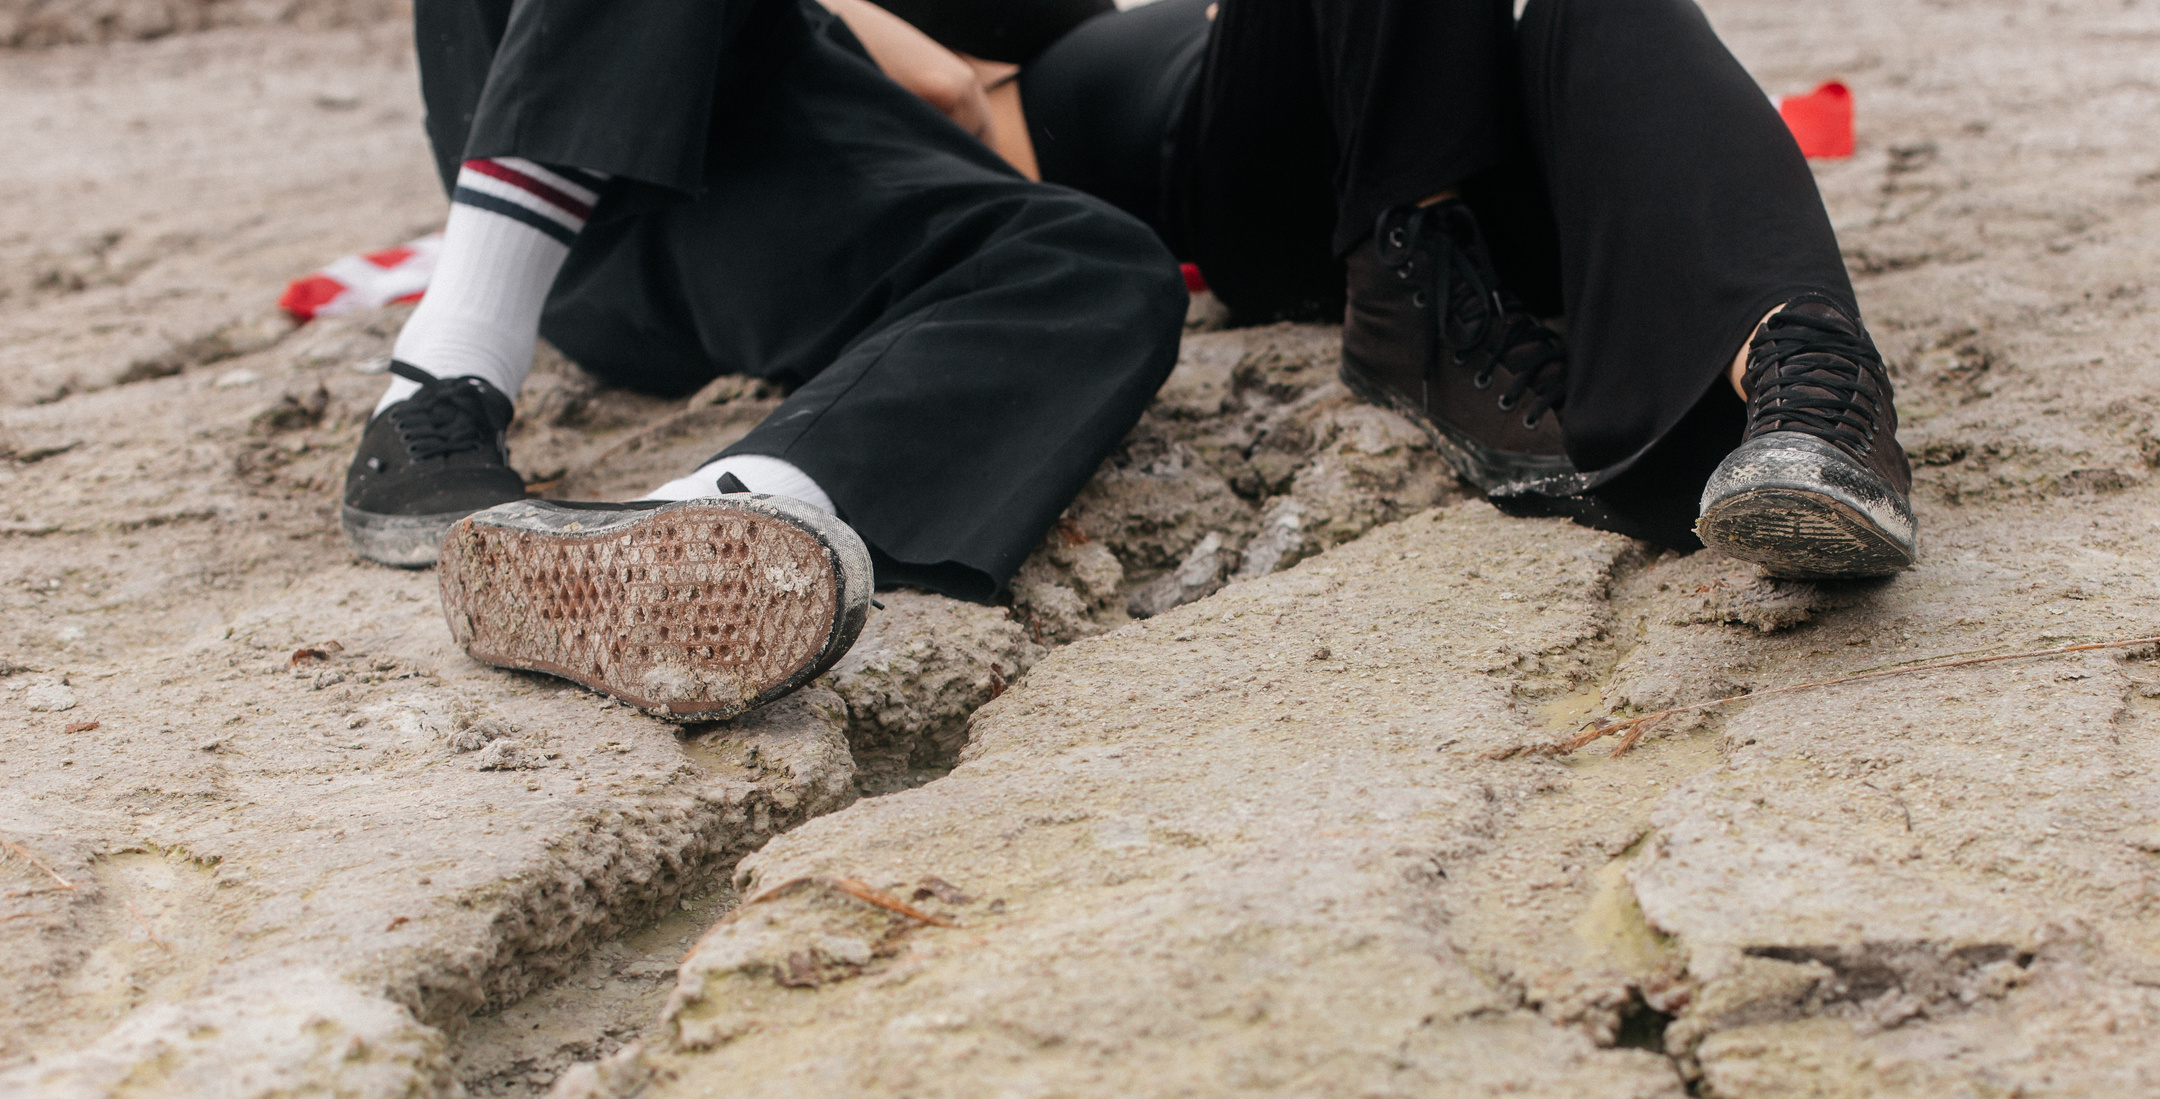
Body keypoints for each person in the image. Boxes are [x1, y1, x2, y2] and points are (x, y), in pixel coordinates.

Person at [339, 0, 1188, 720]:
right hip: (564, 165)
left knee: (1106, 265)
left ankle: (710, 526)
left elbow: (962, 92)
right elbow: (941, 82)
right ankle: (443, 370)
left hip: (779, 211)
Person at [874, 0, 1916, 580]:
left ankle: (1805, 377)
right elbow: (945, 92)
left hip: (1398, 117)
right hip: (1263, 195)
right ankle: (1410, 306)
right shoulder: (820, 39)